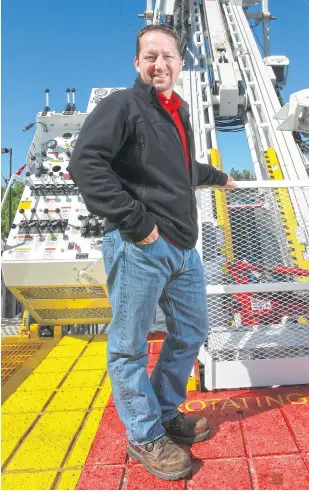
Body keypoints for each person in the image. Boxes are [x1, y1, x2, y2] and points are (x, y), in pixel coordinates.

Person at [69, 24, 236, 481]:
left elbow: (181, 170)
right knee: (129, 346)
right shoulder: (122, 105)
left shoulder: (175, 113)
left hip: (183, 248)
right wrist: (140, 226)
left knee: (191, 331)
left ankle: (163, 414)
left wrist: (219, 178)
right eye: (150, 56)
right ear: (137, 64)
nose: (159, 63)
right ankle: (143, 435)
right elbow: (85, 162)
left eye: (168, 56)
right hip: (139, 245)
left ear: (180, 63)